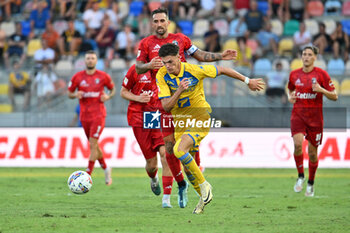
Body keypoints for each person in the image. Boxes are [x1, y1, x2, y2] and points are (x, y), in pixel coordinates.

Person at [136, 7, 237, 208]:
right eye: (155, 21)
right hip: (163, 103)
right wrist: (149, 65)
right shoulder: (146, 43)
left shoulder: (181, 39)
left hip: (187, 103)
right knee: (169, 149)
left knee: (187, 148)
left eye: (162, 20)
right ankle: (181, 184)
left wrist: (219, 56)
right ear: (151, 23)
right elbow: (138, 67)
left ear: (168, 21)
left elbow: (199, 55)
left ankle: (199, 183)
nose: (158, 24)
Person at [156, 43, 264, 213]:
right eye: (164, 63)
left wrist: (247, 80)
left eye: (170, 62)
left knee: (178, 150)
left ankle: (206, 186)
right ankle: (203, 197)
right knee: (188, 169)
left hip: (200, 117)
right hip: (181, 123)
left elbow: (222, 70)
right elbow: (166, 107)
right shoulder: (161, 75)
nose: (167, 66)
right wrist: (178, 90)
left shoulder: (194, 70)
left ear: (178, 57)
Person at [287, 46, 338, 197]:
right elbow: (289, 89)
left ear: (315, 57)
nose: (306, 57)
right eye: (304, 54)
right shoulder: (294, 74)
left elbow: (335, 96)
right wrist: (290, 96)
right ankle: (301, 176)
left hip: (315, 119)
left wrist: (322, 90)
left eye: (309, 55)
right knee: (297, 145)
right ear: (301, 56)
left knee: (312, 153)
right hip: (298, 116)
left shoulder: (321, 75)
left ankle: (311, 183)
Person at [120, 65, 173, 208]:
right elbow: (123, 92)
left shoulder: (168, 68)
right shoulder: (135, 70)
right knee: (152, 164)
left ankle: (166, 198)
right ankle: (153, 178)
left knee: (166, 155)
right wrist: (138, 98)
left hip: (159, 114)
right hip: (140, 117)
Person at [67, 50, 116, 185]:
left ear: (96, 60)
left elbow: (112, 89)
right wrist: (76, 95)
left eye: (92, 58)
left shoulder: (103, 76)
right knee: (94, 145)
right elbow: (69, 93)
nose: (90, 60)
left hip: (98, 115)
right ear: (85, 60)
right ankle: (106, 168)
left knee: (93, 143)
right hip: (84, 116)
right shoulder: (77, 77)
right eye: (88, 58)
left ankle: (87, 174)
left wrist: (108, 96)